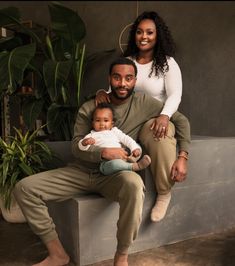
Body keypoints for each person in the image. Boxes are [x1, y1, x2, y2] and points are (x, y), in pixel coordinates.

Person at [13, 57, 190, 266]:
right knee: (24, 188)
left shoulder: (145, 103)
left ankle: (121, 257)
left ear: (134, 81)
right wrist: (102, 153)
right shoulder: (89, 108)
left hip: (114, 175)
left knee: (134, 185)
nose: (122, 83)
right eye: (117, 77)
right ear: (109, 79)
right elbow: (76, 146)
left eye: (128, 78)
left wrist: (182, 156)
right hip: (81, 172)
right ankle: (57, 254)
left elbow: (181, 120)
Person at [95, 11, 183, 222]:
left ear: (157, 35)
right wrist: (101, 92)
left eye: (150, 32)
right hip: (128, 118)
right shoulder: (127, 61)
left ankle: (163, 193)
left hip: (155, 117)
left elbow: (175, 94)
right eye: (139, 32)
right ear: (134, 35)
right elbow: (115, 90)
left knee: (157, 134)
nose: (144, 36)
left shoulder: (168, 63)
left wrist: (164, 116)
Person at [79, 102, 151, 175]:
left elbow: (126, 139)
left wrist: (134, 148)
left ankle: (132, 159)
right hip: (107, 163)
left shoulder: (115, 131)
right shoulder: (92, 135)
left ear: (112, 123)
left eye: (106, 120)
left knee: (137, 146)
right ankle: (134, 166)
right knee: (114, 165)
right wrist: (85, 142)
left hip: (123, 157)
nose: (102, 124)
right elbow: (81, 146)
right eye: (98, 120)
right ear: (93, 123)